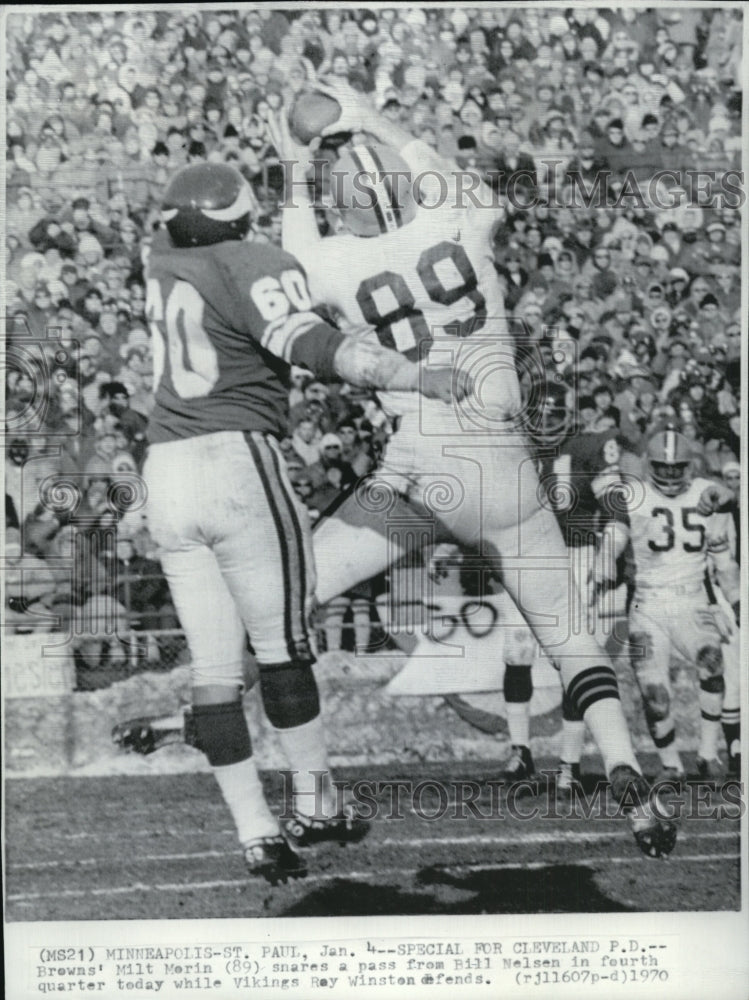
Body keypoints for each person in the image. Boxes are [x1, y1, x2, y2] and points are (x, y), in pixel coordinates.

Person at [276, 79, 677, 858]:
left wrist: (295, 157)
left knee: (292, 598)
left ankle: (294, 780)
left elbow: (296, 244)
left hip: (418, 474)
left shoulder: (328, 265)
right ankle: (628, 778)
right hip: (501, 467)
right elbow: (452, 180)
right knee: (569, 639)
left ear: (341, 205)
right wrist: (373, 120)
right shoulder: (456, 217)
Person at [139, 161, 468, 884]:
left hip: (164, 468)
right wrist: (418, 376)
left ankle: (257, 833)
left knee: (217, 671)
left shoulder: (159, 261)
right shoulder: (252, 260)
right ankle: (316, 803)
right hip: (236, 458)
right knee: (284, 646)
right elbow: (316, 348)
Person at [600, 428, 741, 780]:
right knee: (654, 693)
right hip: (647, 606)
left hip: (694, 600)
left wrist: (738, 602)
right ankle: (671, 765)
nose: (671, 475)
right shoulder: (632, 496)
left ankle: (708, 754)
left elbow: (724, 556)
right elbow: (614, 539)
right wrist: (603, 561)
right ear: (651, 466)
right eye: (663, 467)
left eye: (677, 467)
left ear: (688, 466)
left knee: (712, 664)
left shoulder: (706, 494)